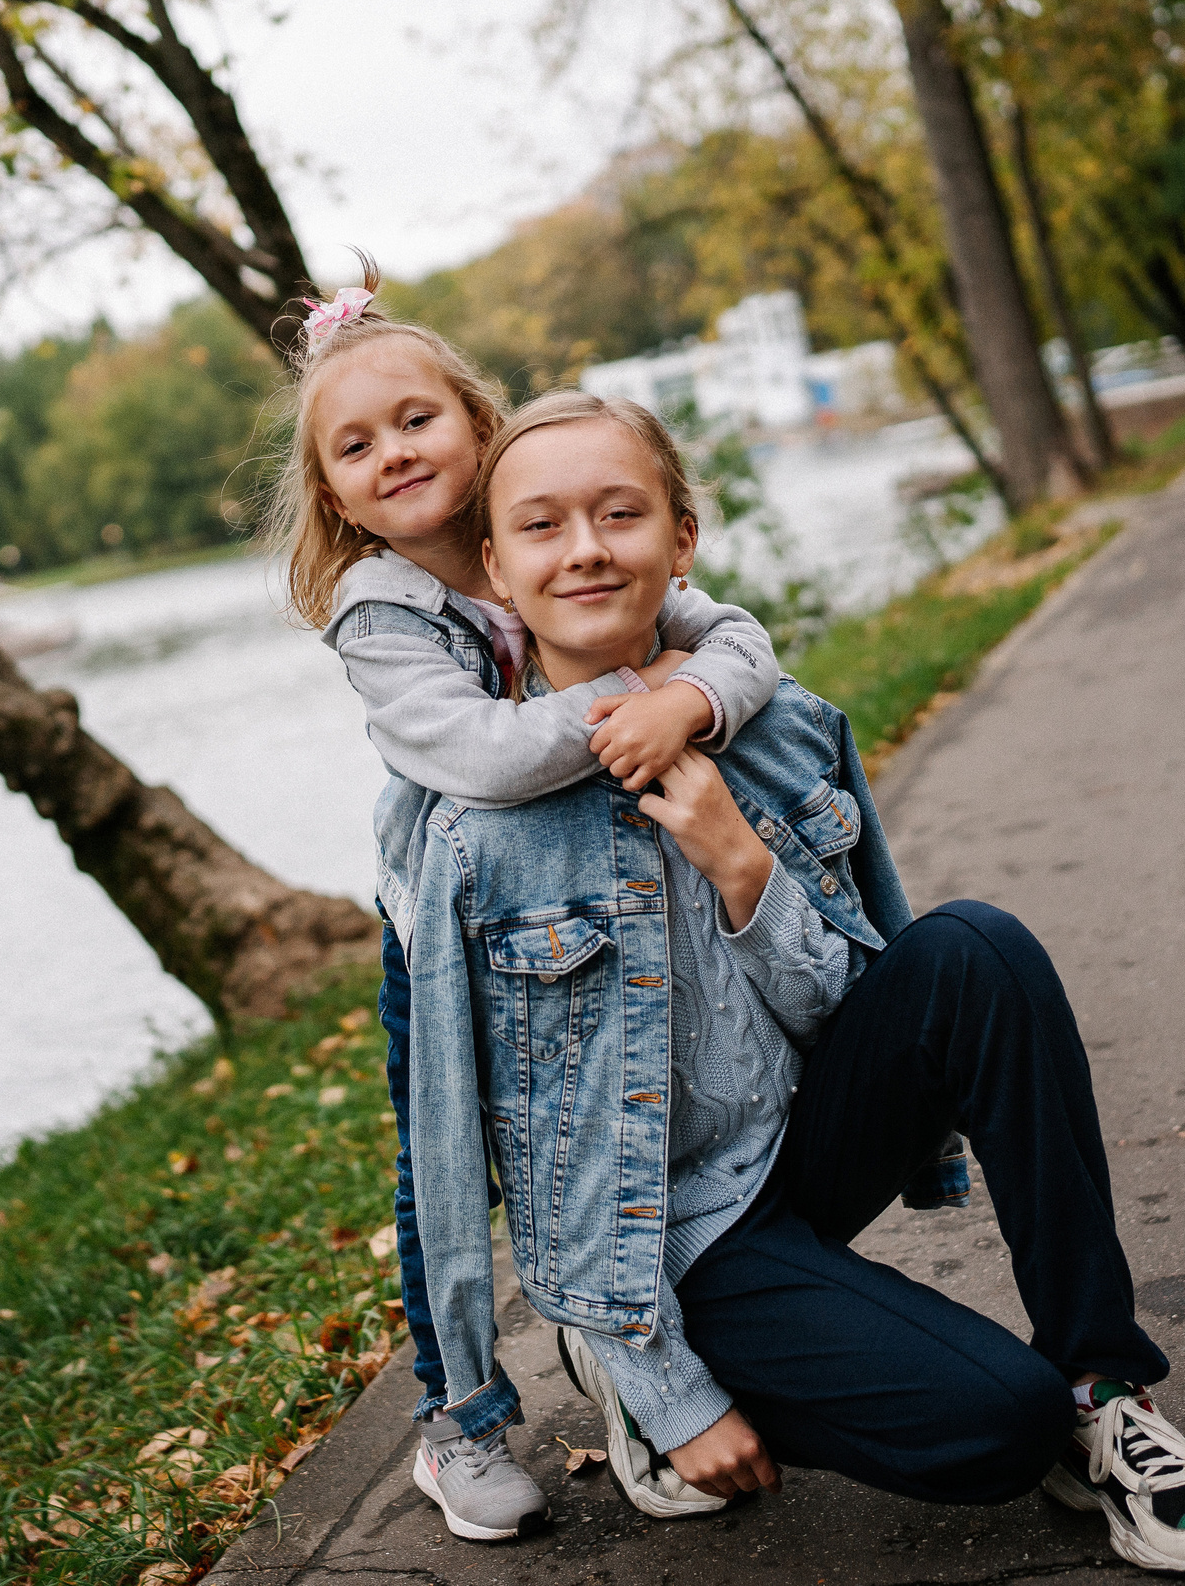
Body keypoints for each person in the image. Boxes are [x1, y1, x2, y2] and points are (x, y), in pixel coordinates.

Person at [405, 391, 1185, 1576]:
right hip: (680, 1234)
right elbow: (472, 1156)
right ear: (495, 567)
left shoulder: (783, 727)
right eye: (543, 527)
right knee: (1001, 1429)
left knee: (975, 945)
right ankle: (632, 1363)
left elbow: (863, 1000)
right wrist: (672, 1390)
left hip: (805, 1147)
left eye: (620, 513)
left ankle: (1107, 1384)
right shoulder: (474, 841)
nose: (588, 547)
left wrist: (742, 863)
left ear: (681, 539)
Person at [262, 267, 792, 1541]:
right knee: (451, 1163)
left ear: (478, 422)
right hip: (446, 934)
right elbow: (489, 758)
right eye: (356, 444)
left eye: (416, 420)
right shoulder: (382, 614)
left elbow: (743, 643)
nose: (393, 452)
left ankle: (631, 1350)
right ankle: (458, 1415)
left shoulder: (556, 532)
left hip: (596, 898)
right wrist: (632, 695)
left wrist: (691, 695)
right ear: (332, 493)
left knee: (603, 1121)